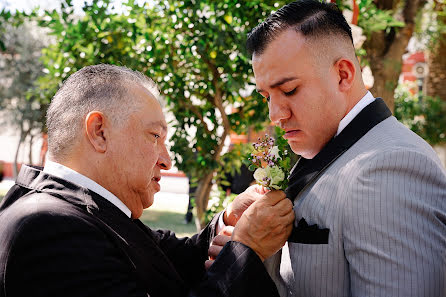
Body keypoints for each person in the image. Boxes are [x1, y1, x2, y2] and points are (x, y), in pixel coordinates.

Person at [0, 64, 295, 297]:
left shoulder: (81, 210)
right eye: (155, 136)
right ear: (99, 131)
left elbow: (167, 258)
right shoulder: (49, 228)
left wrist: (230, 219)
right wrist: (246, 250)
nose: (167, 160)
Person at [243, 1, 446, 296]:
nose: (275, 115)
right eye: (266, 97)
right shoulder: (331, 150)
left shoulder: (390, 167)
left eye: (289, 90)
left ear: (343, 75)